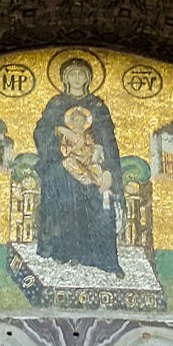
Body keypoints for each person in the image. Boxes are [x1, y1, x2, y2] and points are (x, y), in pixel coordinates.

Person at [32, 58, 123, 274]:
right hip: (60, 162)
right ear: (64, 78)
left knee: (100, 192)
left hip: (93, 163)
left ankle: (101, 257)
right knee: (59, 180)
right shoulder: (56, 104)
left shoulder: (98, 106)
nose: (76, 78)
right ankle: (64, 251)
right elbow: (41, 132)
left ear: (89, 78)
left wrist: (109, 170)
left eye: (81, 74)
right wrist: (61, 131)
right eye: (71, 74)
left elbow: (108, 140)